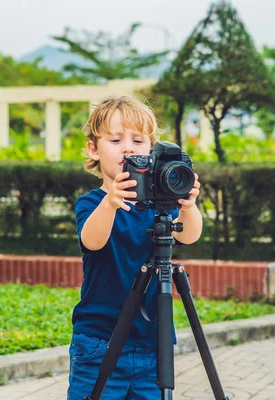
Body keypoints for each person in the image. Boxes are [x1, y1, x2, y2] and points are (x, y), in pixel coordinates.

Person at [68, 96, 203, 399]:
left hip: (152, 344)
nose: (128, 148)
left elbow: (189, 236)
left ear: (152, 150)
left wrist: (188, 206)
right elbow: (92, 240)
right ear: (93, 148)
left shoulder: (159, 206)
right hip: (99, 342)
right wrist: (111, 202)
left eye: (138, 140)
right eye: (115, 140)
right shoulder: (92, 203)